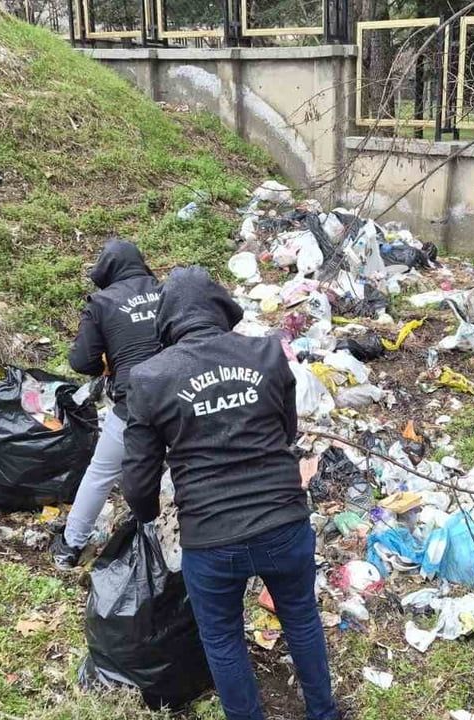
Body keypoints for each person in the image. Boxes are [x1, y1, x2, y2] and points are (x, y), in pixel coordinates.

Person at [119, 266, 338, 720]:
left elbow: (139, 482)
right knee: (300, 617)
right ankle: (323, 712)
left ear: (167, 320)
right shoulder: (266, 354)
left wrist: (144, 516)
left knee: (221, 637)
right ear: (221, 308)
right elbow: (286, 431)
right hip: (283, 521)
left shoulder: (150, 378)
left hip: (212, 537)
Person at [49, 238, 161, 570]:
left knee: (101, 473)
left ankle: (71, 545)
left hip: (134, 404)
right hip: (179, 398)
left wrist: (107, 365)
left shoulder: (102, 302)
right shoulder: (165, 290)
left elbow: (81, 361)